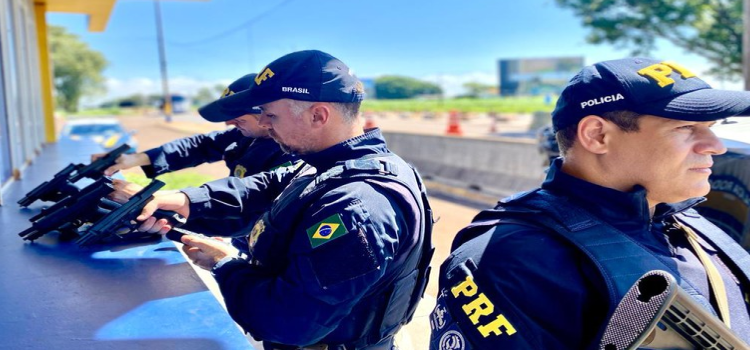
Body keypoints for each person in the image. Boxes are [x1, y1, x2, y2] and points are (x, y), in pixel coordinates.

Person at [430, 58, 750, 349]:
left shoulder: (686, 222)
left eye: (711, 127)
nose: (716, 146)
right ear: (597, 135)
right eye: (685, 127)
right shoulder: (514, 262)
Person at [123, 50, 434, 350]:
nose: (266, 126)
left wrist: (224, 264)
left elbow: (289, 321)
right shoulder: (326, 165)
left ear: (318, 115)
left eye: (271, 115)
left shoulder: (357, 207)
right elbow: (259, 189)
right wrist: (182, 200)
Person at [93, 73, 296, 181]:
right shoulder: (246, 135)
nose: (228, 123)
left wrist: (169, 204)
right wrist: (134, 159)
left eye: (237, 118)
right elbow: (200, 146)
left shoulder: (292, 152)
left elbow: (250, 201)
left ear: (264, 114)